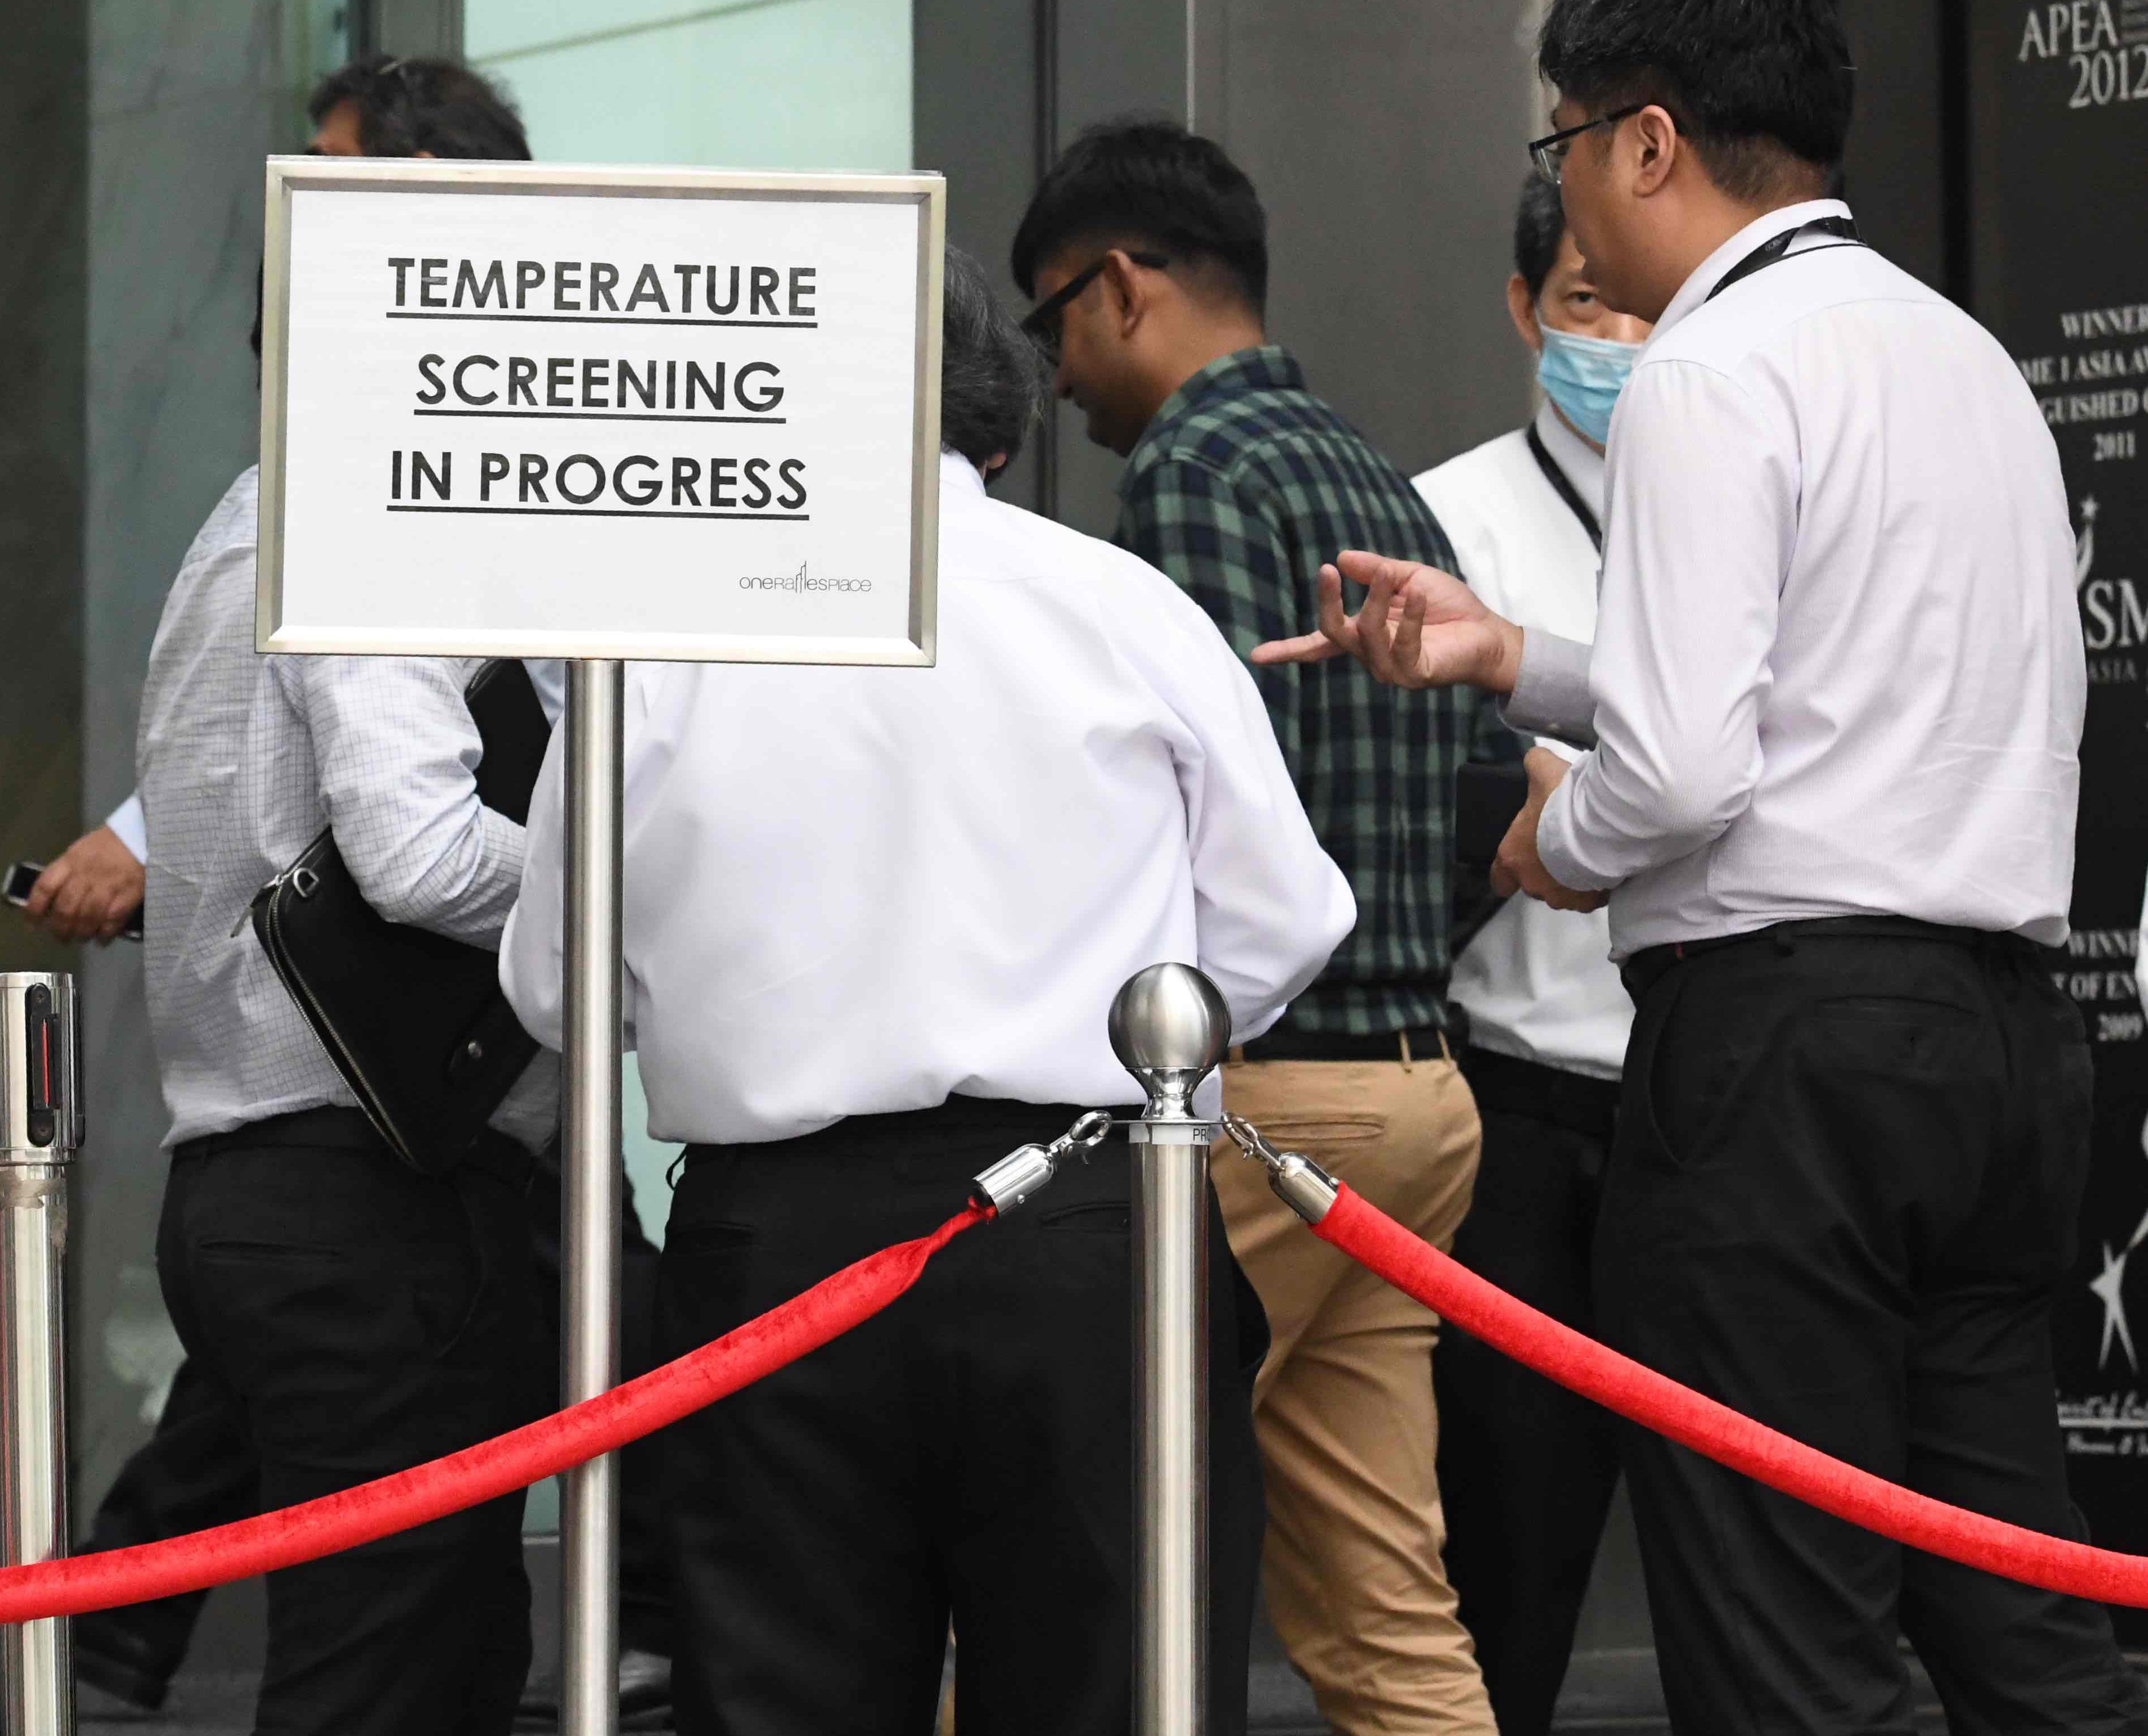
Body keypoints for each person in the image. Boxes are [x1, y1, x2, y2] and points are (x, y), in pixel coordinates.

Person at [1262, 0, 2146, 1735]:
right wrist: (1513, 656)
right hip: (2001, 1044)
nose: (1574, 200)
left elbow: (1679, 776)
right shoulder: (1966, 356)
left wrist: (1550, 852)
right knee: (2016, 1605)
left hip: (1782, 1062)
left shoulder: (1709, 366)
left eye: (1568, 143)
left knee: (1782, 1635)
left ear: (1649, 142)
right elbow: (1823, 705)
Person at [501, 252, 1349, 1735]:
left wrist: (731, 1003)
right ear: (996, 424)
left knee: (780, 1707)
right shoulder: (1121, 605)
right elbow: (1286, 921)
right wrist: (1130, 1043)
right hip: (1094, 1225)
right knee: (1118, 1695)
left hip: (779, 1243)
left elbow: (556, 984)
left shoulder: (668, 639)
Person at [60, 55, 674, 1724]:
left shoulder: (254, 517)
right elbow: (412, 857)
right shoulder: (373, 513)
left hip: (294, 1185)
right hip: (372, 1194)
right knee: (392, 1679)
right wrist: (629, 912)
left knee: (423, 1658)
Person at [1013, 116, 1492, 1736]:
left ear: (1121, 285)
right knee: (1385, 1607)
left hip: (1260, 1104)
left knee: (1062, 1562)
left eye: (1052, 323)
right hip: (1421, 1092)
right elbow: (1477, 795)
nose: (1053, 378)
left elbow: (1196, 815)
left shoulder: (1194, 472)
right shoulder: (1384, 480)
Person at [1408, 178, 1645, 1736]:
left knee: (1757, 1541)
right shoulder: (1453, 516)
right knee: (1513, 1552)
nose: (1614, 336)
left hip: (1708, 1098)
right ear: (1522, 307)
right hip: (1521, 1108)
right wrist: (1521, 794)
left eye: (1639, 305)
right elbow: (1417, 791)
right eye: (1580, 302)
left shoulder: (1749, 495)